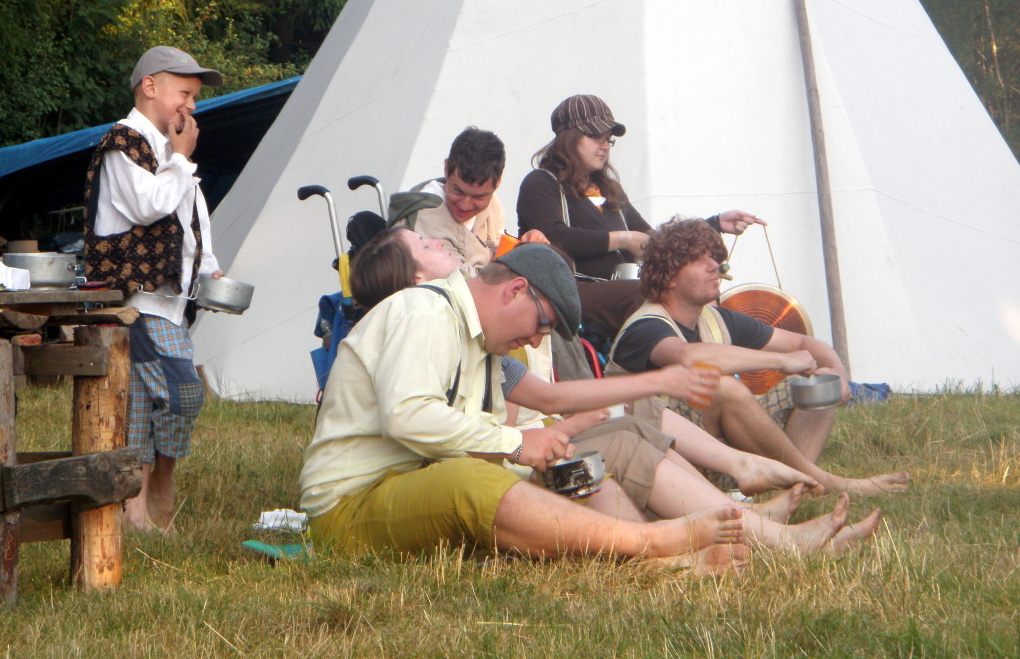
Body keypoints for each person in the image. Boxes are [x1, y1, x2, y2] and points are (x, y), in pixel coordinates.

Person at [340, 229, 882, 555]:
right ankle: (686, 534)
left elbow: (546, 403)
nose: (539, 339)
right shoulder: (425, 313)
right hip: (376, 496)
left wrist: (551, 433)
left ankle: (739, 533)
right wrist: (523, 442)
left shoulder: (476, 339)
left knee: (604, 443)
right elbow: (415, 419)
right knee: (544, 460)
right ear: (515, 291)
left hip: (436, 479)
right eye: (543, 324)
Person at [607, 217, 911, 497]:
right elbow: (689, 358)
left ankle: (794, 488)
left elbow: (805, 342)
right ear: (670, 277)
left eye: (713, 257)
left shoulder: (715, 318)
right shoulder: (645, 325)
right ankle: (820, 480)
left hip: (716, 451)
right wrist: (781, 361)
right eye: (699, 260)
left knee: (817, 384)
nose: (714, 265)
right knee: (720, 386)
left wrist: (837, 375)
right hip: (664, 458)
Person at [83, 46, 224, 532]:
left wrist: (209, 268)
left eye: (195, 97)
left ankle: (135, 505)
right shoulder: (123, 144)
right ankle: (161, 485)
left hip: (167, 302)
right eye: (185, 93)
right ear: (150, 87)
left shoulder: (166, 149)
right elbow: (151, 206)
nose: (192, 106)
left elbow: (190, 219)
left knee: (142, 405)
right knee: (183, 393)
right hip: (135, 300)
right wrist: (181, 160)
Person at [516, 94, 763, 346]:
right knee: (646, 293)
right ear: (568, 139)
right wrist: (622, 239)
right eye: (595, 136)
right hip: (568, 290)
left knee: (692, 289)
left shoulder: (608, 188)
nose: (604, 146)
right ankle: (682, 358)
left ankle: (709, 355)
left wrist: (714, 224)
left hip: (619, 287)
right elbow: (554, 237)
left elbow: (657, 240)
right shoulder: (541, 182)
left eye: (608, 139)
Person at [392, 126, 547, 275]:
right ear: (446, 169)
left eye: (479, 197)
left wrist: (525, 247)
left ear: (498, 182)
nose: (465, 205)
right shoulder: (424, 220)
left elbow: (498, 254)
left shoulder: (493, 205)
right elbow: (466, 283)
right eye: (458, 191)